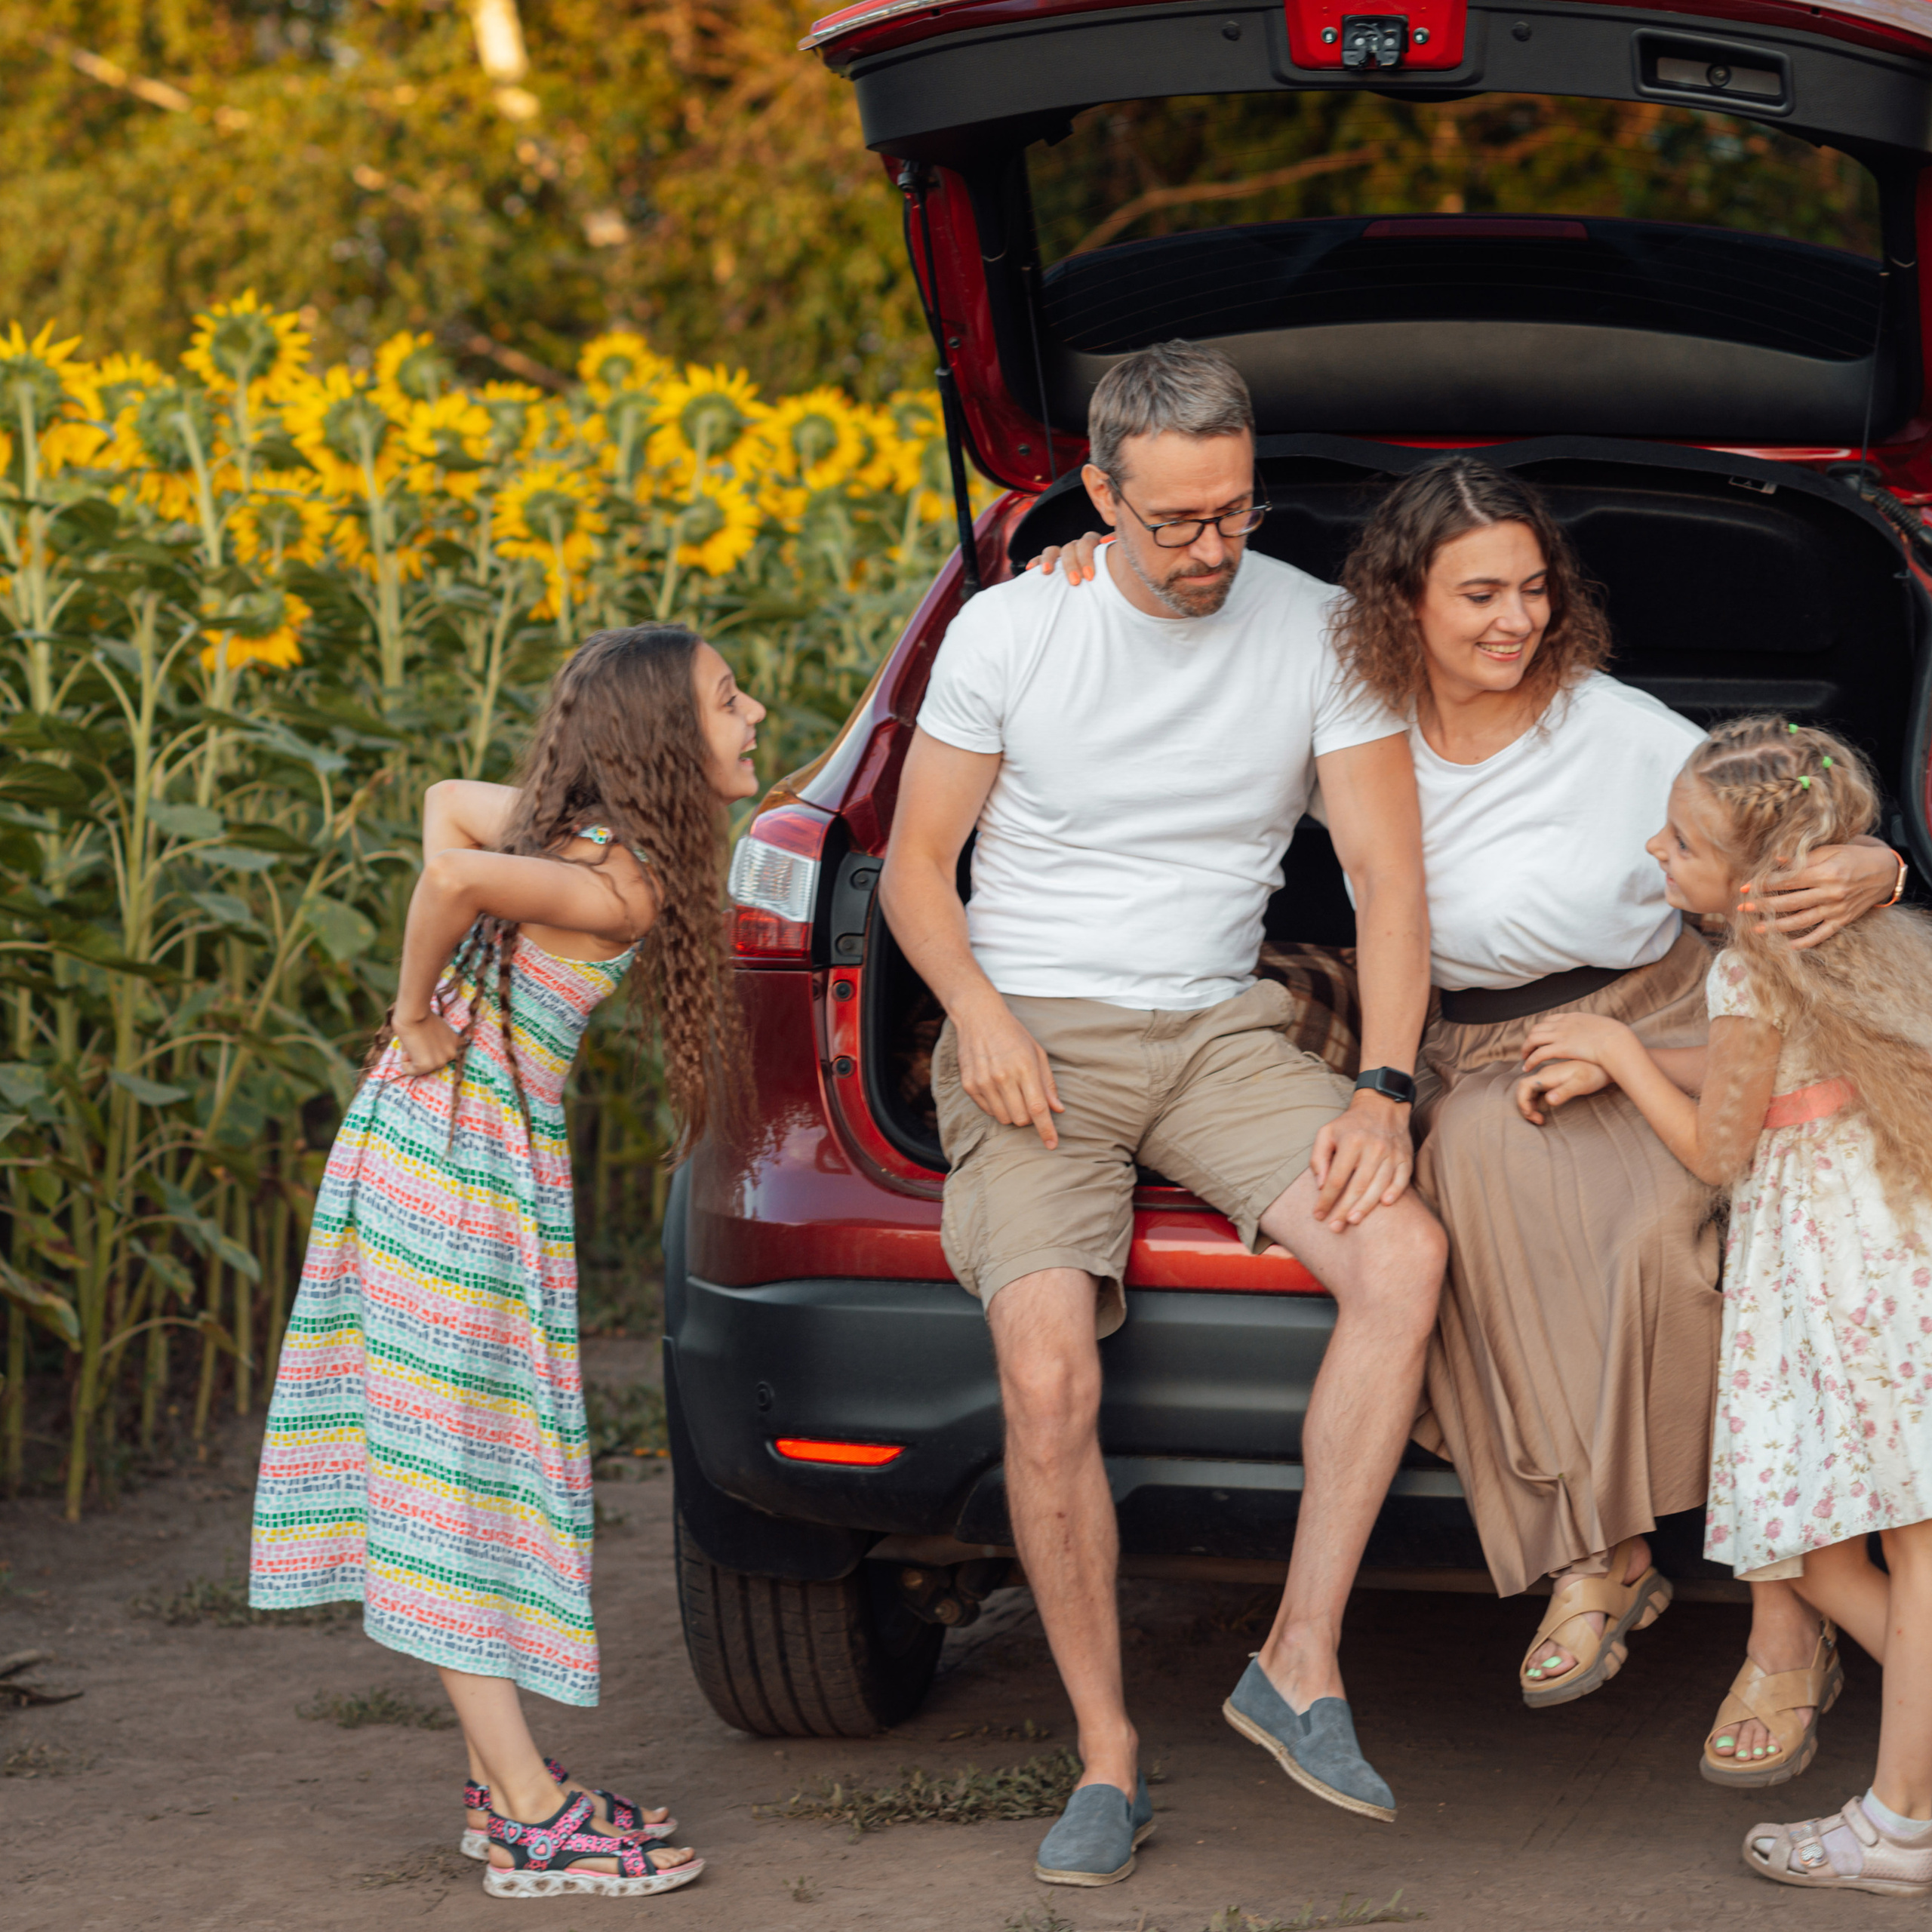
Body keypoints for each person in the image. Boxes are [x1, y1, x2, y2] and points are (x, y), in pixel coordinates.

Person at [1034, 456, 1902, 1706]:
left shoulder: (1619, 732)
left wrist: (1872, 863)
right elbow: (1168, 639)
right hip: (1462, 1045)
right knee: (1475, 1167)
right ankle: (1597, 1552)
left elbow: (1778, 815)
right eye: (1480, 594)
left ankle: (1759, 1613)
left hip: (1652, 1014)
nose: (1516, 621)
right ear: (1400, 605)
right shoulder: (1339, 712)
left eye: (1535, 591)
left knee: (1660, 1241)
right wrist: (1072, 565)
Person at [881, 339, 1447, 1887]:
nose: (1211, 550)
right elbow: (916, 869)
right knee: (1046, 1371)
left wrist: (1385, 1085)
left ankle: (1296, 1658)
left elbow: (1391, 881)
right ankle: (1107, 1758)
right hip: (1032, 1032)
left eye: (1234, 513)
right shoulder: (1009, 630)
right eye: (1175, 522)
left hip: (1216, 1022)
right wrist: (981, 1015)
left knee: (1398, 1258)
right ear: (1096, 496)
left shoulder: (1319, 630)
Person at [249, 623, 763, 1900]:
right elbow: (456, 883)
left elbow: (443, 814)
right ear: (660, 742)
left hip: (447, 1154)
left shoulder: (591, 849)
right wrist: (419, 1012)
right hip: (449, 1169)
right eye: (727, 698)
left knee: (465, 1460)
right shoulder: (617, 885)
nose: (754, 712)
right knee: (450, 1479)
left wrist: (452, 998)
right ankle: (531, 1818)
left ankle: (501, 1793)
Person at [1517, 716, 1932, 1897]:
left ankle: (1902, 1827)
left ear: (1758, 885)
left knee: (1851, 1547)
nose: (1657, 847)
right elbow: (1777, 1067)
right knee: (1864, 1548)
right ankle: (1905, 1801)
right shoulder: (1875, 941)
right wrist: (1628, 1054)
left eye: (1683, 843)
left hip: (1844, 1278)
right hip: (1896, 1252)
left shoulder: (1747, 966)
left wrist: (1617, 1045)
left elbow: (1716, 1149)